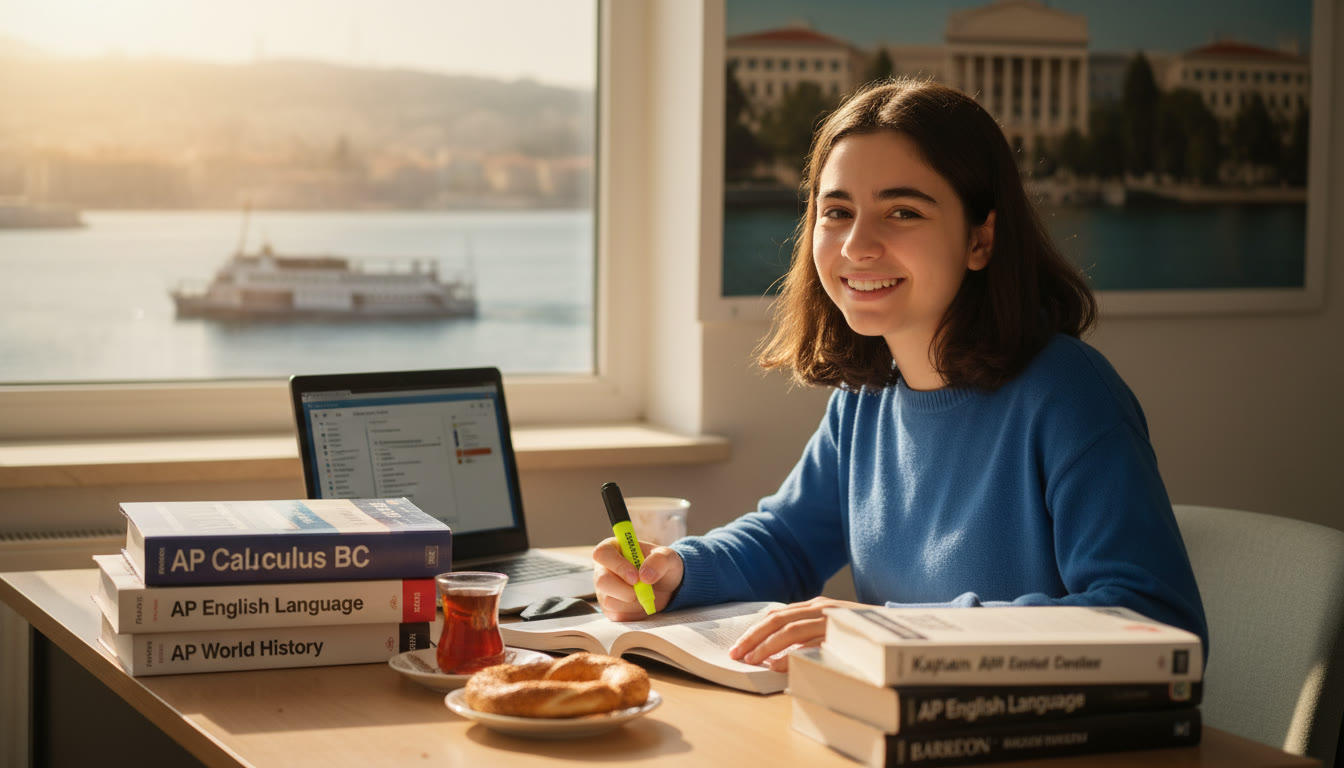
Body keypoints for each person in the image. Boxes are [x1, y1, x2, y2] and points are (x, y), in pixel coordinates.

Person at [591, 78, 1208, 672]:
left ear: (980, 239)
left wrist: (889, 630)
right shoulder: (866, 396)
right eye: (837, 211)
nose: (858, 245)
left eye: (903, 212)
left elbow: (1152, 620)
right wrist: (677, 570)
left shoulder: (1070, 395)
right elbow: (787, 542)